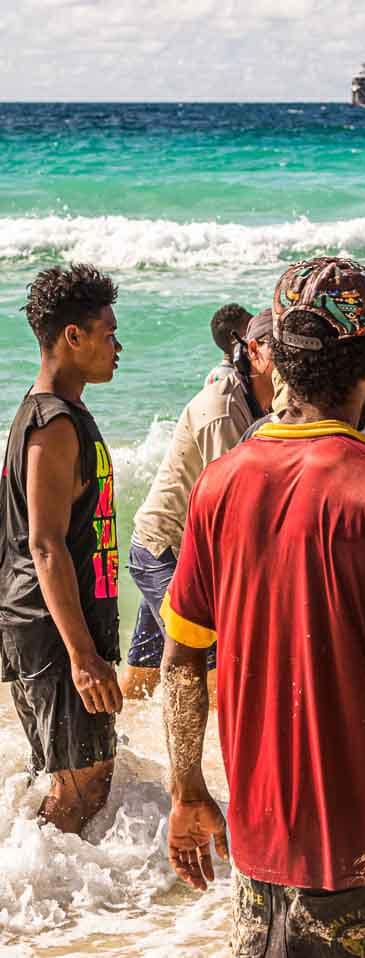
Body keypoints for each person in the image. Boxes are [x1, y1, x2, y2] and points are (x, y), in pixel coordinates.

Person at [160, 257, 365, 952]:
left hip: (258, 843)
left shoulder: (220, 484)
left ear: (280, 361)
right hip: (364, 846)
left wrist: (187, 790)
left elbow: (181, 665)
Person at [0, 264, 123, 834]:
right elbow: (44, 545)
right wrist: (82, 657)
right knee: (83, 784)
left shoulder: (56, 412)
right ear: (72, 337)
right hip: (52, 631)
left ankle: (49, 894)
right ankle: (37, 906)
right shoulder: (52, 424)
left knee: (73, 775)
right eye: (108, 333)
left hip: (48, 623)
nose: (117, 347)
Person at [121, 309, 274, 700]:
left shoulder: (265, 399)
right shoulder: (222, 412)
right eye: (279, 350)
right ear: (252, 351)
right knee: (207, 668)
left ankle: (128, 738)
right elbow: (233, 516)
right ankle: (211, 759)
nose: (289, 362)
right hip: (165, 549)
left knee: (144, 671)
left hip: (182, 548)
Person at [204, 302, 252, 386]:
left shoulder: (215, 374)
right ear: (234, 338)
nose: (257, 329)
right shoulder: (226, 378)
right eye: (250, 327)